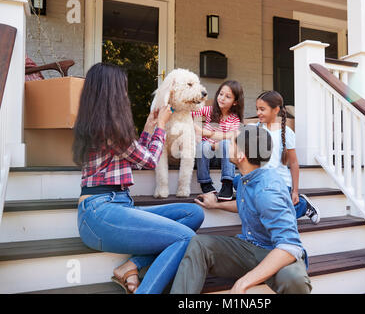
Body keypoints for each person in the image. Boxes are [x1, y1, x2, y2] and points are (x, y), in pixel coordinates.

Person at [73, 63, 204, 294]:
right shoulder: (108, 128)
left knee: (193, 213)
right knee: (185, 238)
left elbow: (136, 157)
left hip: (116, 206)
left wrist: (149, 128)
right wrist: (162, 125)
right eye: (123, 88)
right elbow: (150, 161)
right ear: (111, 92)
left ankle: (131, 265)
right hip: (101, 212)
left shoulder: (102, 125)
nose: (126, 93)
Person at [170, 125, 312, 294]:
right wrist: (216, 204)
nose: (227, 147)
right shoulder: (246, 177)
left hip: (274, 253)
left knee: (295, 280)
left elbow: (290, 246)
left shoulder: (268, 190)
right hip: (248, 247)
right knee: (199, 244)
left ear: (241, 155)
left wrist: (244, 282)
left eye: (231, 144)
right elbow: (247, 204)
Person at [250, 90, 321, 224]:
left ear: (276, 110)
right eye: (257, 109)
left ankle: (302, 206)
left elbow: (293, 163)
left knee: (271, 219)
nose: (258, 112)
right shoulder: (253, 129)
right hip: (261, 181)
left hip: (280, 183)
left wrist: (295, 191)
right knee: (237, 181)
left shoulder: (286, 133)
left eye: (262, 109)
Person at [192, 80, 244, 200]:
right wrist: (196, 130)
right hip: (206, 156)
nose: (222, 98)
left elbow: (232, 137)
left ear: (235, 102)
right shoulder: (209, 110)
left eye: (228, 96)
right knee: (203, 146)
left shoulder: (234, 119)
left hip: (224, 158)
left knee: (226, 143)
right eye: (221, 94)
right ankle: (205, 183)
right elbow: (188, 114)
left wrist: (205, 134)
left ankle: (227, 184)